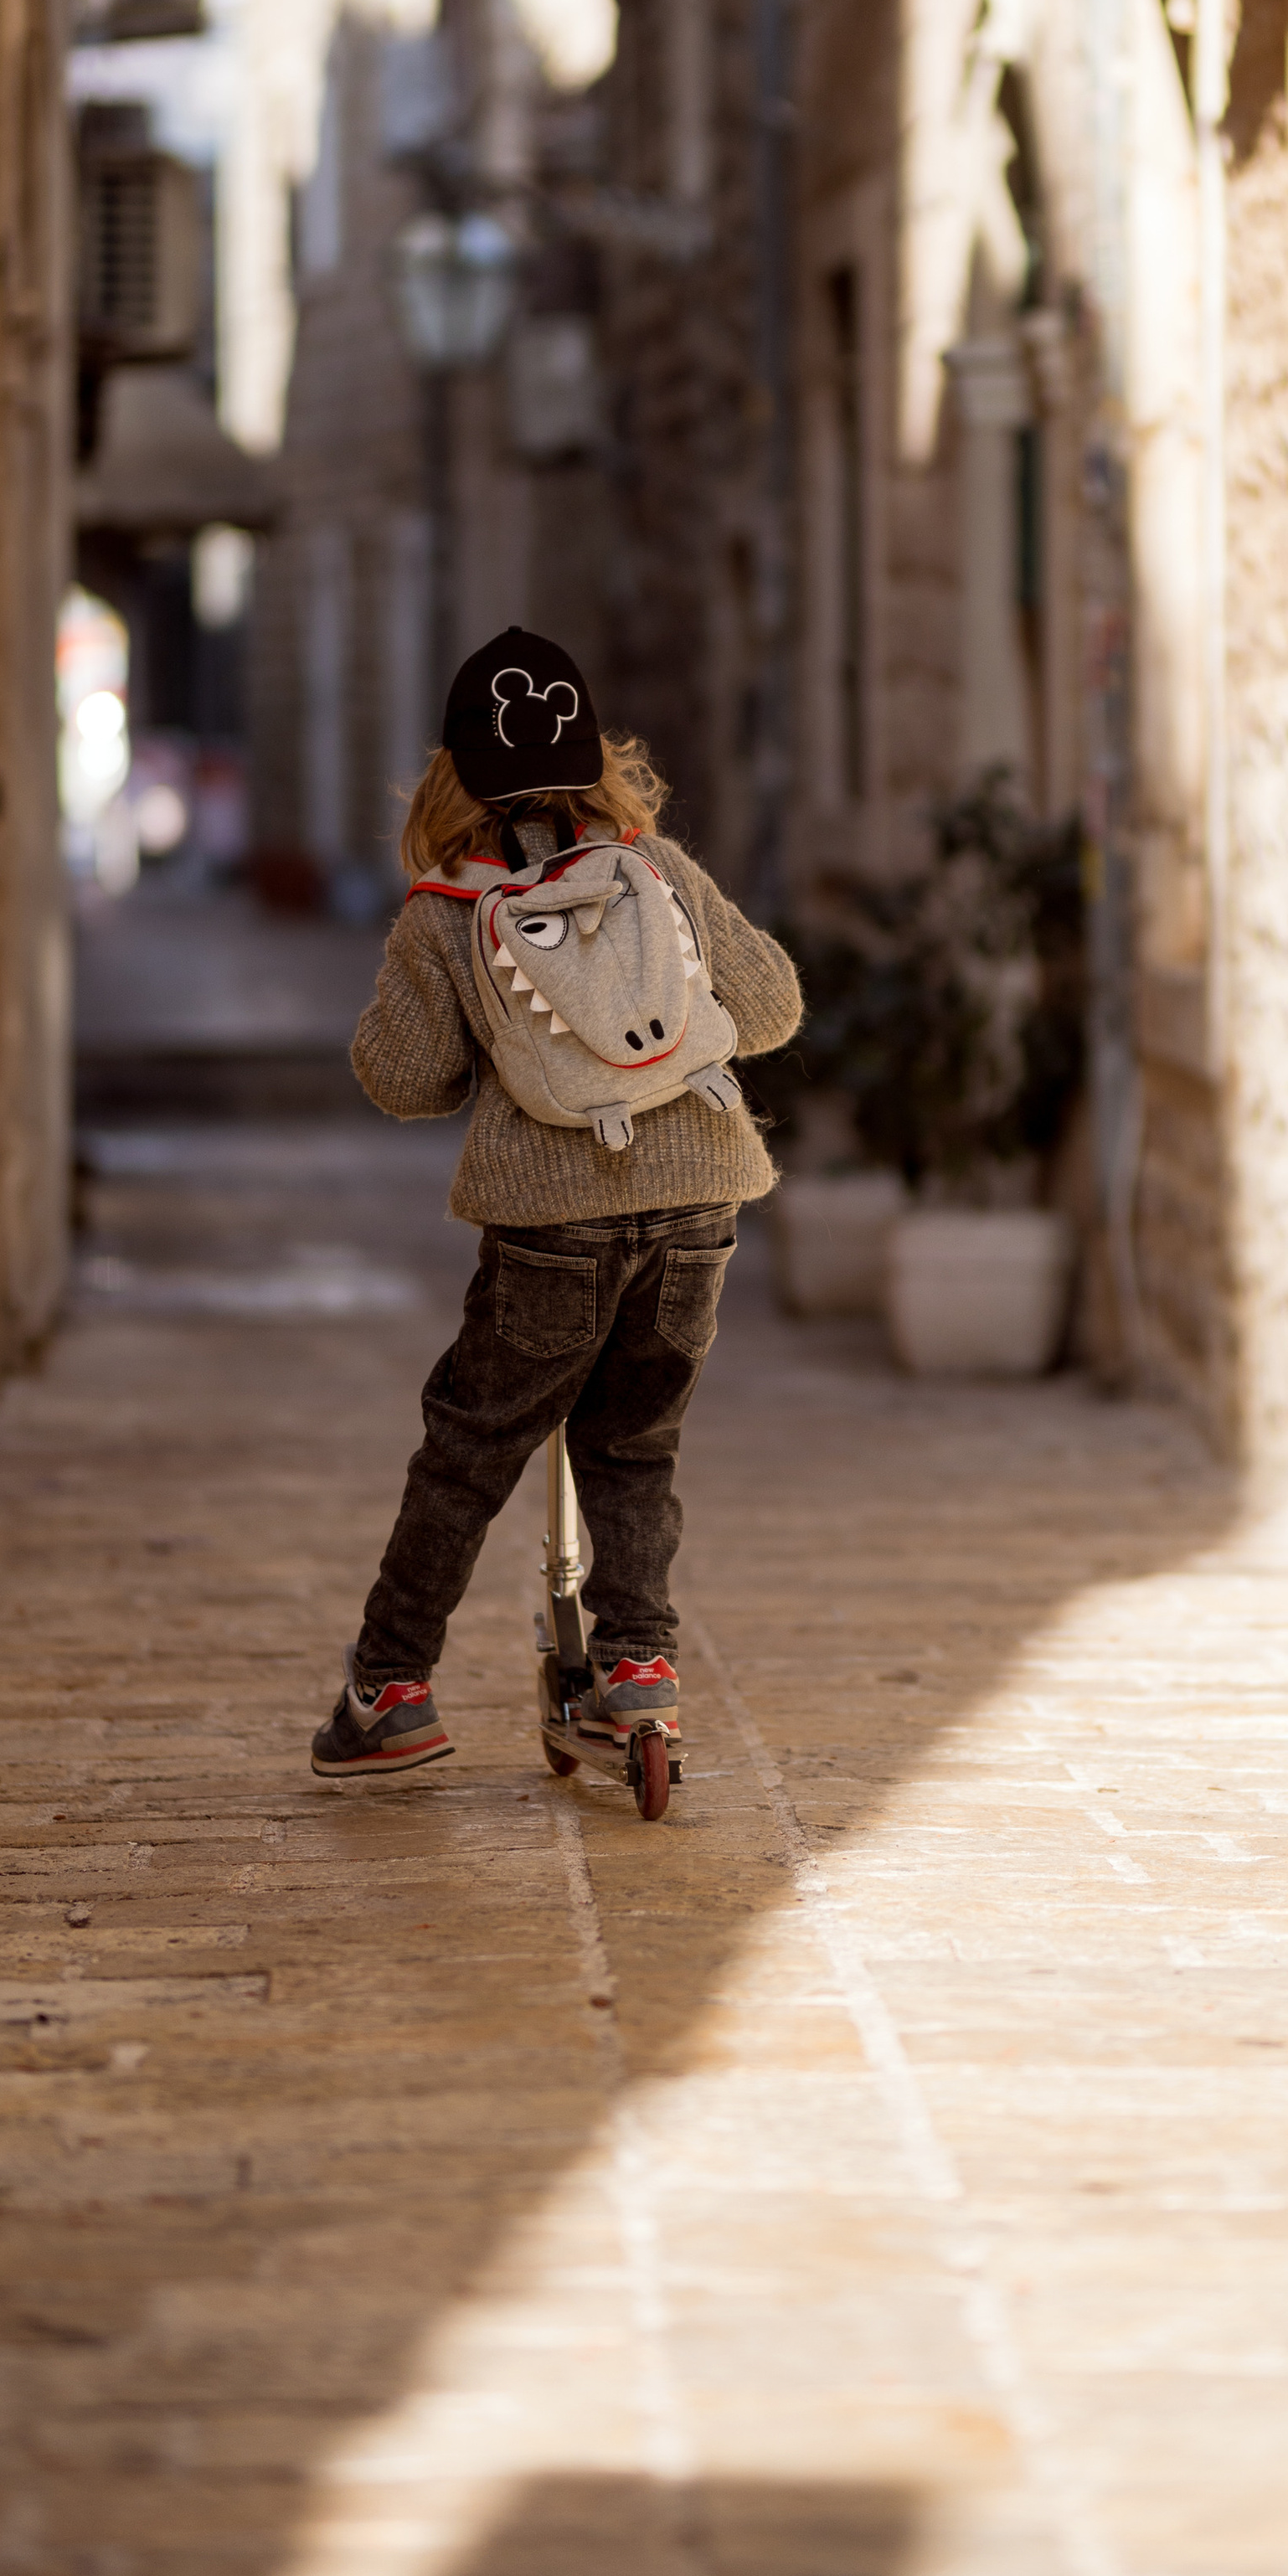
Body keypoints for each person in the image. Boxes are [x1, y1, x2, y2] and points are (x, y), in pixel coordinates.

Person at [310, 627, 802, 1779]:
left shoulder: (446, 908)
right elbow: (771, 1007)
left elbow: (402, 1078)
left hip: (550, 1222)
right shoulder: (662, 871)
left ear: (453, 777)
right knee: (636, 1442)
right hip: (697, 1197)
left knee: (470, 1449)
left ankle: (391, 1689)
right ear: (598, 761)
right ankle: (635, 1672)